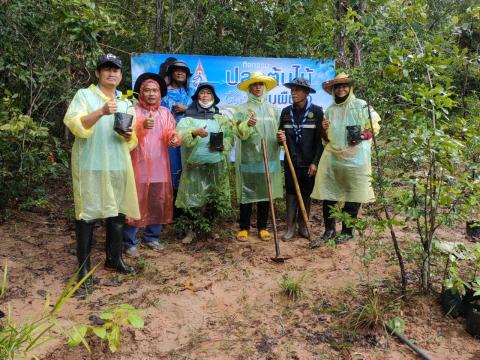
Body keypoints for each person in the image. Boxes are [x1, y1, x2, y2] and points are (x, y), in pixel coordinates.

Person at [63, 53, 140, 284]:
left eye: (115, 69)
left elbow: (133, 139)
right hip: (91, 165)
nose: (111, 73)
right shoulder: (84, 95)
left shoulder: (127, 102)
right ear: (98, 73)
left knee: (116, 215)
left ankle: (113, 259)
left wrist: (128, 135)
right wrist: (101, 112)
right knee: (87, 216)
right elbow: (75, 124)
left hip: (117, 165)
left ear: (120, 75)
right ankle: (84, 269)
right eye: (106, 69)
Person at [310, 72, 380, 246]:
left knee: (353, 194)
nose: (341, 89)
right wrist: (324, 130)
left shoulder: (361, 105)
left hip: (356, 159)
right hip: (333, 158)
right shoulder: (330, 110)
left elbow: (374, 128)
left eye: (344, 86)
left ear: (350, 88)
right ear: (333, 90)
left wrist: (361, 136)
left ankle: (347, 231)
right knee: (328, 194)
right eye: (337, 87)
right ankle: (329, 229)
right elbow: (325, 140)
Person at [123, 73, 180, 258]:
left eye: (154, 90)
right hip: (137, 165)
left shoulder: (165, 112)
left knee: (157, 201)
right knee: (135, 202)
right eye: (147, 90)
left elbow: (172, 132)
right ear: (140, 92)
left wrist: (173, 139)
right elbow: (125, 136)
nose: (151, 94)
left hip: (159, 165)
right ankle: (129, 241)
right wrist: (140, 127)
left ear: (160, 93)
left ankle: (152, 236)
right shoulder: (133, 110)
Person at [175, 83, 233, 244]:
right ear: (197, 97)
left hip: (216, 165)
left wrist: (224, 145)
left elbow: (230, 137)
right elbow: (179, 136)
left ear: (214, 97)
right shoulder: (188, 118)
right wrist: (194, 132)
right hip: (194, 166)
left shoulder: (220, 117)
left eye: (208, 93)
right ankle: (191, 231)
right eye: (202, 93)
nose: (205, 96)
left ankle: (209, 229)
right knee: (192, 198)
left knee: (213, 197)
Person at [233, 72, 281, 242]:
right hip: (249, 158)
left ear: (265, 87)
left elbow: (279, 132)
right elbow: (239, 133)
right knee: (247, 191)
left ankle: (262, 227)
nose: (258, 87)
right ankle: (244, 227)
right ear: (250, 88)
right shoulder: (241, 109)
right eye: (254, 84)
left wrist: (281, 138)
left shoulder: (273, 109)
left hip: (270, 157)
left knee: (266, 192)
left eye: (261, 84)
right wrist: (247, 124)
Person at [276, 78, 324, 242]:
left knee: (306, 193)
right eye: (292, 90)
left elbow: (320, 141)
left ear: (306, 93)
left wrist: (315, 162)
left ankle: (303, 226)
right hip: (291, 162)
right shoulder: (285, 112)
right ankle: (290, 228)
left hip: (309, 163)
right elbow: (279, 137)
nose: (293, 93)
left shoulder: (317, 112)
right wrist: (279, 137)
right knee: (290, 193)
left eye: (297, 90)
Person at [161, 60, 195, 198]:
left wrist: (186, 109)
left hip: (188, 137)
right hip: (166, 138)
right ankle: (170, 210)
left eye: (184, 71)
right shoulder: (162, 92)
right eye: (177, 70)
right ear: (170, 73)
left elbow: (203, 113)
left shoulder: (193, 93)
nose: (180, 72)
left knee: (187, 170)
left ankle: (185, 212)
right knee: (170, 170)